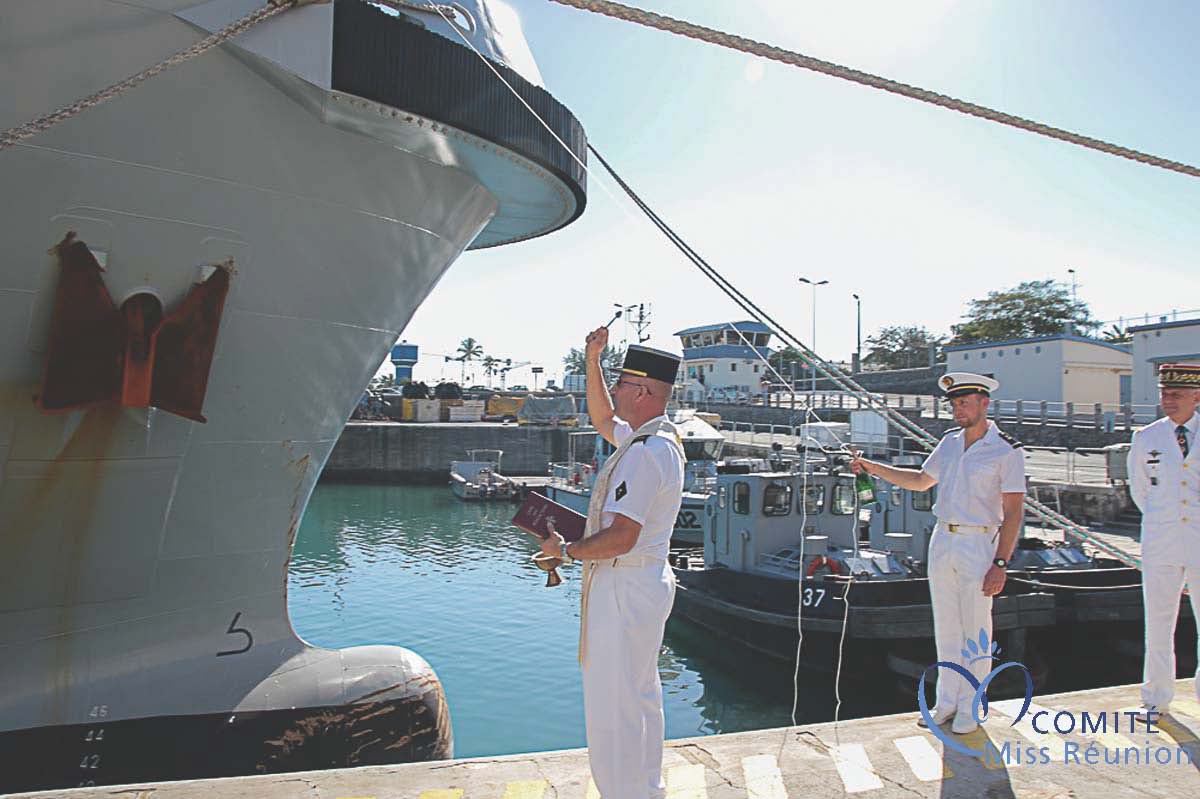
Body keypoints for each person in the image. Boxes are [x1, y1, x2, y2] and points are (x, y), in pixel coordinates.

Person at [541, 326, 684, 799]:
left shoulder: (646, 455)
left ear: (643, 392)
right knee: (639, 697)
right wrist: (592, 360)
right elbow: (603, 417)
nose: (617, 390)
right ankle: (645, 790)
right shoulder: (652, 440)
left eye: (623, 383)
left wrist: (566, 551)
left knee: (612, 705)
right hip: (642, 583)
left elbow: (622, 537)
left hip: (625, 585)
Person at [851, 372, 1025, 735]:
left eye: (965, 402)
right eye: (954, 404)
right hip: (943, 539)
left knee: (975, 628)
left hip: (980, 543)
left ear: (984, 403)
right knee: (946, 626)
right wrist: (872, 468)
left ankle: (972, 705)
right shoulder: (948, 443)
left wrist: (1001, 563)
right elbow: (919, 480)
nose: (958, 409)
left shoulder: (1006, 450)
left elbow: (1013, 512)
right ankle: (946, 702)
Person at [1128, 362, 1200, 719]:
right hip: (1161, 541)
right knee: (1158, 623)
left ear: (1196, 396)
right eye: (1164, 394)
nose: (1168, 400)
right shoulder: (1146, 437)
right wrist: (1163, 519)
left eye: (1177, 394)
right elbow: (1141, 491)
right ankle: (1156, 698)